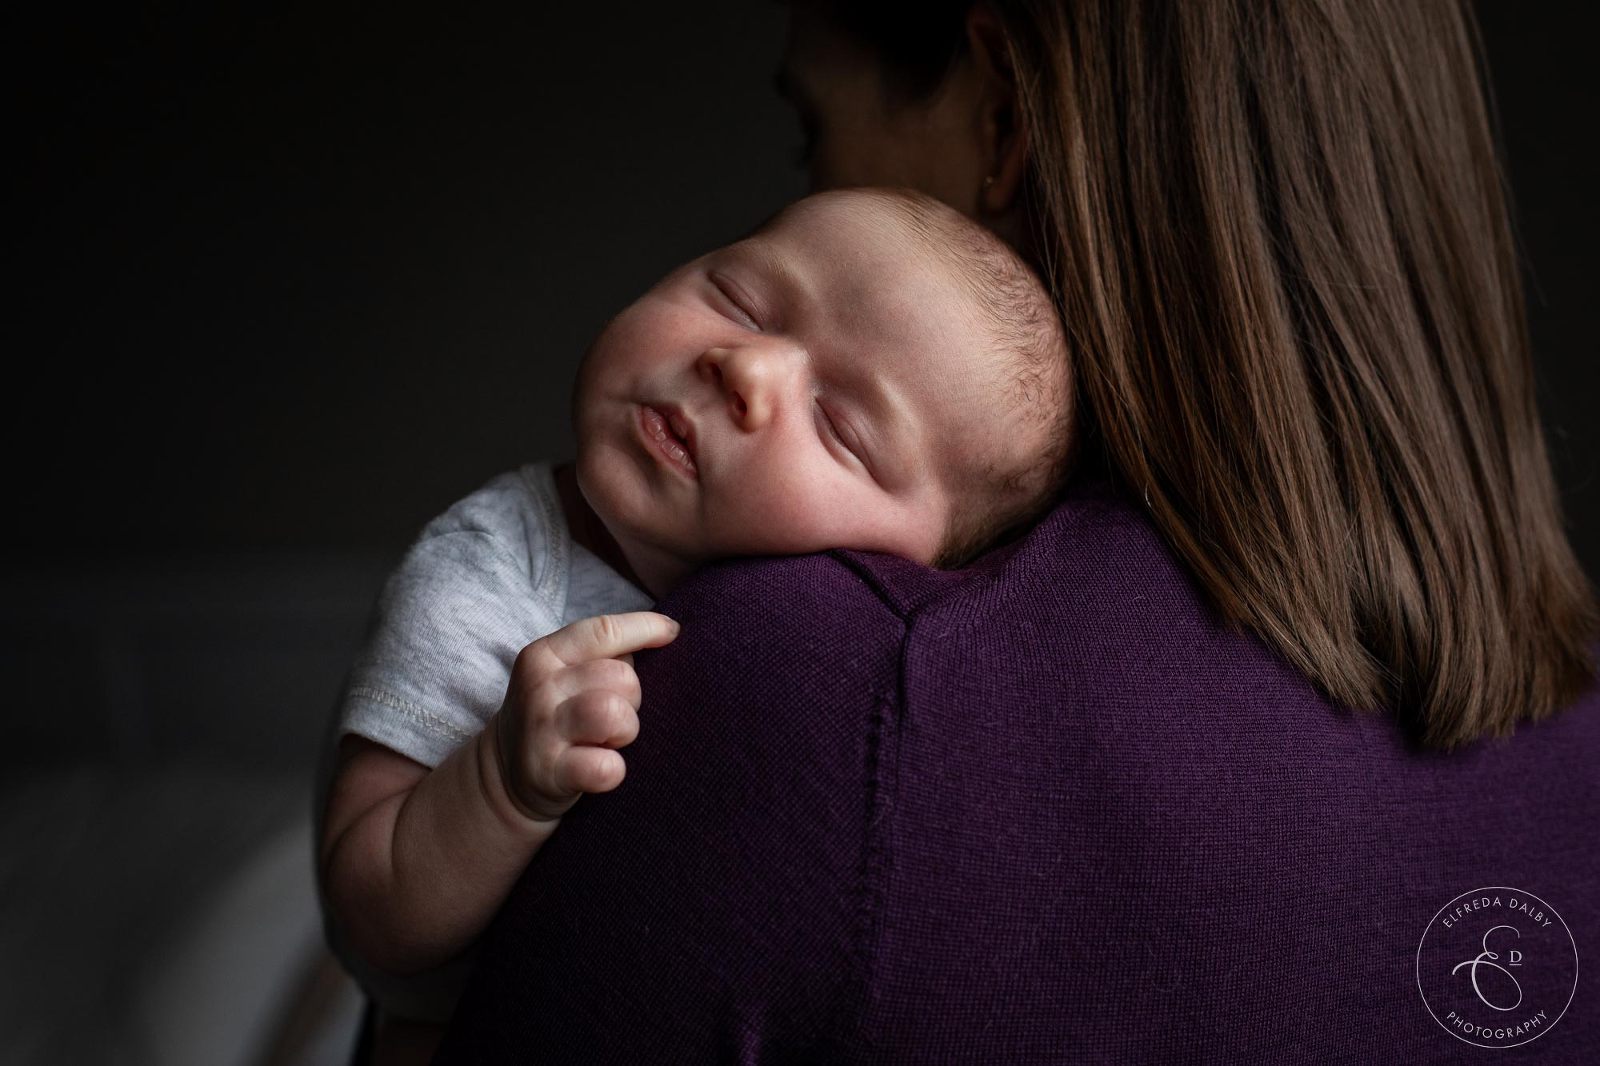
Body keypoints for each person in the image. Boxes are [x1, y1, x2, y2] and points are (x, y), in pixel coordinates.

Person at [423, 1, 1600, 1062]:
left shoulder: (827, 682)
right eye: (739, 295)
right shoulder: (1570, 732)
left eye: (811, 135)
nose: (737, 372)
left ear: (999, 122)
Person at [314, 186, 1072, 1064]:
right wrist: (499, 784)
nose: (742, 367)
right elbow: (369, 914)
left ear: (925, 569)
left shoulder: (883, 677)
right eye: (740, 300)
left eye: (839, 424)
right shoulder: (489, 575)